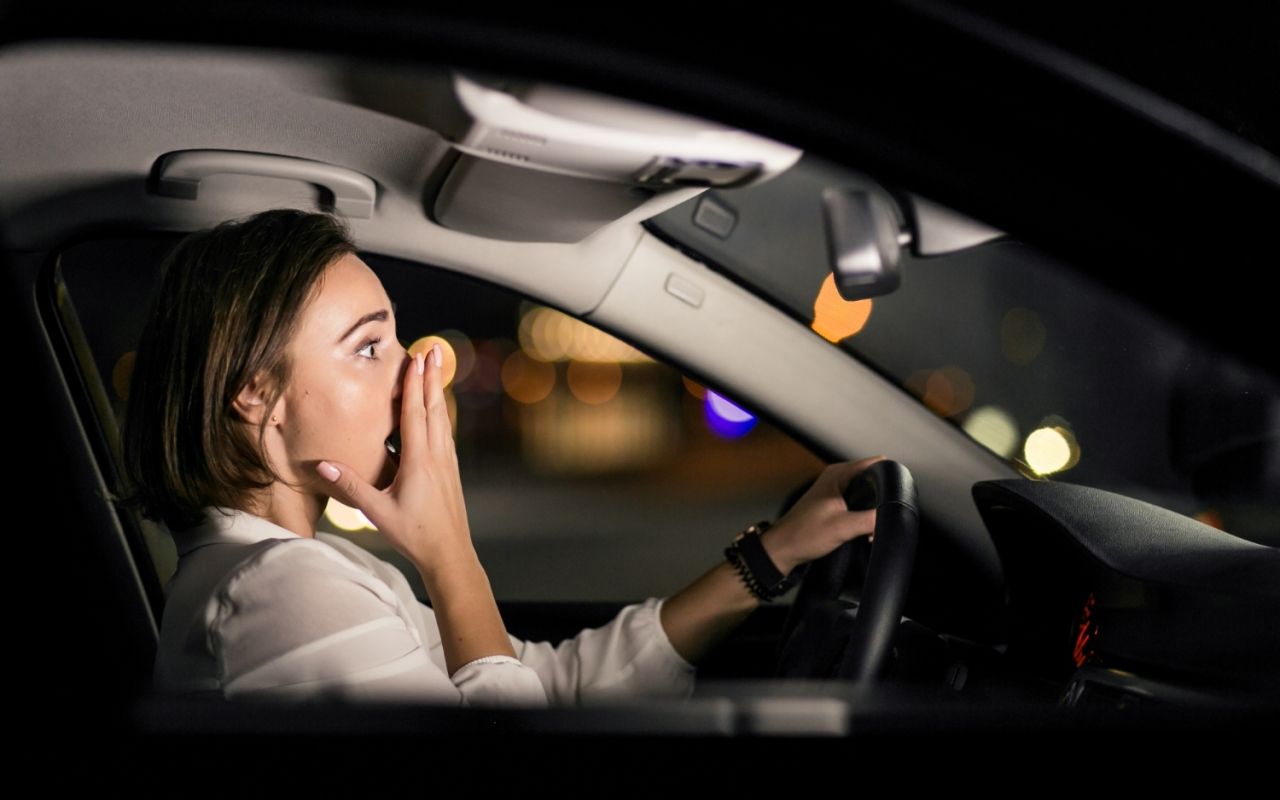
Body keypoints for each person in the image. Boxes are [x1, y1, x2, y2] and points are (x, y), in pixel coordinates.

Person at [118, 207, 886, 708]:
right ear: (255, 397)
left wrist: (772, 556)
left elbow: (550, 685)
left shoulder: (313, 572)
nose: (418, 372)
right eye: (369, 347)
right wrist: (450, 555)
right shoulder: (280, 593)